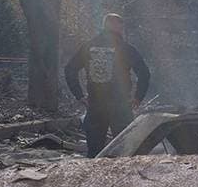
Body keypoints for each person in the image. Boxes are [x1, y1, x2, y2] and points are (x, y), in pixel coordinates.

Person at [64, 13, 151, 156]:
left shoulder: (88, 46)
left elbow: (70, 69)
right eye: (121, 25)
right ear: (119, 27)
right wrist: (138, 97)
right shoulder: (126, 49)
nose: (122, 28)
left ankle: (93, 177)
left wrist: (79, 95)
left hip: (95, 105)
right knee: (125, 151)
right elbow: (144, 74)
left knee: (94, 152)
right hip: (120, 105)